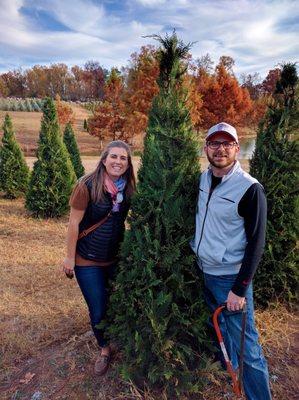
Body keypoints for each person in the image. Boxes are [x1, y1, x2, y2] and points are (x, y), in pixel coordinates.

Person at [191, 122, 272, 400]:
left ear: (237, 148)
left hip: (230, 279)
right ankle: (236, 382)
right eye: (215, 143)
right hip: (206, 272)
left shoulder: (250, 189)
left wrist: (239, 289)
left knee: (246, 347)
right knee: (223, 331)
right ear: (206, 148)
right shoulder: (203, 180)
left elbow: (256, 244)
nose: (220, 149)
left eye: (227, 144)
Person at [63, 140, 136, 375]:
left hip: (114, 258)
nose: (118, 161)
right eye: (113, 156)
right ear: (104, 159)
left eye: (123, 158)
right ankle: (104, 348)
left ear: (128, 164)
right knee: (98, 308)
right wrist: (69, 258)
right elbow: (74, 224)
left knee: (116, 301)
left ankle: (114, 334)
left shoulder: (129, 188)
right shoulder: (87, 186)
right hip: (87, 261)